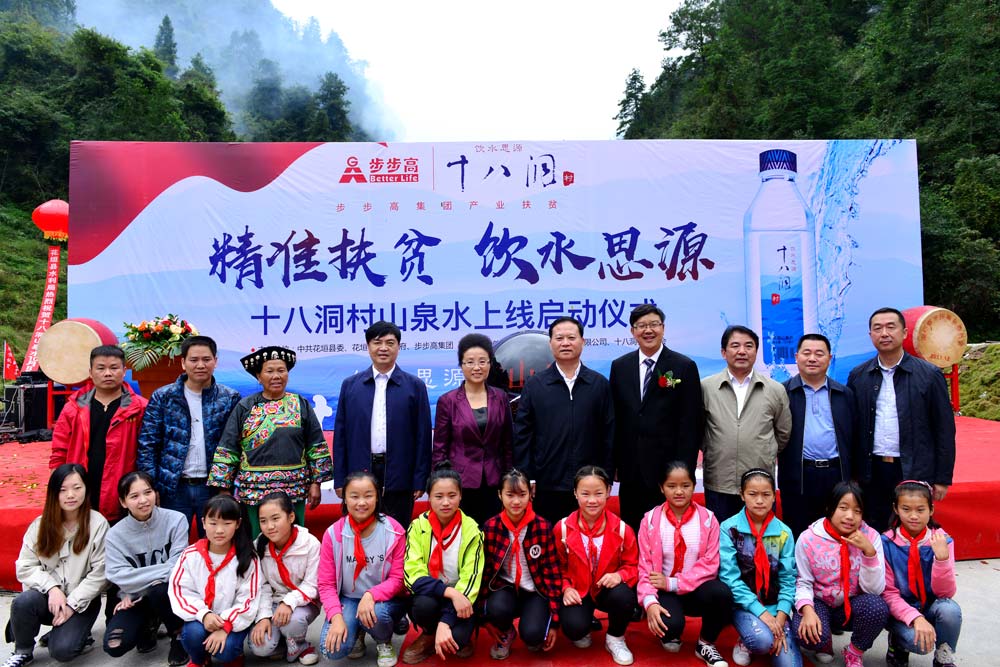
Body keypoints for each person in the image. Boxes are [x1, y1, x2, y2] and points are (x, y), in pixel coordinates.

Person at [847, 307, 956, 532]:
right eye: (878, 328)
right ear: (870, 335)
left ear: (905, 332)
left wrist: (943, 478)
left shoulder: (929, 374)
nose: (884, 333)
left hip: (914, 469)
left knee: (911, 530)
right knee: (874, 528)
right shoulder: (859, 375)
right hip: (872, 470)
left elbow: (944, 429)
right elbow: (852, 428)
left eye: (891, 327)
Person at [209, 346, 333, 537]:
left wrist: (316, 483)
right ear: (259, 376)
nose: (276, 376)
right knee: (257, 542)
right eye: (269, 371)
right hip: (254, 490)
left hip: (294, 489)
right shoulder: (245, 407)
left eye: (281, 370)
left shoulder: (300, 404)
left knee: (294, 541)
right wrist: (223, 489)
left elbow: (315, 445)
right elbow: (229, 447)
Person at [3, 464, 108, 667]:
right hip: (47, 598)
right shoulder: (40, 524)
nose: (71, 495)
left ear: (86, 489)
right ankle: (23, 651)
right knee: (23, 602)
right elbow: (24, 566)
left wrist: (72, 604)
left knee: (63, 651)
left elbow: (100, 574)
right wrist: (52, 588)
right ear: (53, 493)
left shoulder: (97, 524)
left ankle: (77, 634)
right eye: (62, 489)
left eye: (77, 488)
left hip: (82, 601)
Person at [513, 317, 615, 523]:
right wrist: (527, 475)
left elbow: (609, 434)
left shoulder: (599, 384)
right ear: (550, 343)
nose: (565, 343)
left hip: (589, 484)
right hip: (547, 483)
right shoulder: (535, 385)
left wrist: (607, 475)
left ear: (583, 342)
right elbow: (523, 434)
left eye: (571, 338)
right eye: (559, 338)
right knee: (550, 538)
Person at [610, 304, 703, 531]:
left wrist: (684, 469)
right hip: (631, 469)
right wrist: (615, 463)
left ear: (663, 328)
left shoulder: (684, 366)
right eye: (641, 326)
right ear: (633, 332)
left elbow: (691, 422)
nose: (648, 330)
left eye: (653, 324)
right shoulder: (619, 366)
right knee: (633, 530)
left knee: (668, 531)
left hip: (668, 471)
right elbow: (615, 418)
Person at [138, 335, 241, 537]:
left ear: (215, 361)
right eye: (194, 360)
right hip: (173, 488)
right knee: (171, 544)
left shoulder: (230, 398)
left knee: (216, 543)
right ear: (183, 363)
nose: (200, 365)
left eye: (206, 359)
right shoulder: (163, 397)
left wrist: (226, 485)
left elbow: (235, 446)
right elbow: (148, 444)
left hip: (212, 488)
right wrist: (150, 487)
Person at [334, 321, 432, 529]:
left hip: (400, 473)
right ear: (368, 346)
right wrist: (340, 479)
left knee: (397, 530)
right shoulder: (351, 386)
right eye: (377, 342)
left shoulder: (414, 386)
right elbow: (341, 435)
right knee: (359, 531)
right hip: (359, 473)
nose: (383, 348)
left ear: (399, 347)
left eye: (390, 343)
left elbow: (423, 436)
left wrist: (419, 479)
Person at [638, 461, 732, 667]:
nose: (679, 491)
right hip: (664, 591)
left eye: (685, 485)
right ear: (661, 488)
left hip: (696, 588)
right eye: (671, 486)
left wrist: (673, 583)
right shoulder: (650, 521)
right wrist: (650, 602)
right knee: (670, 626)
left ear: (694, 486)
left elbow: (710, 564)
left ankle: (706, 643)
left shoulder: (708, 519)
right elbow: (645, 567)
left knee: (722, 593)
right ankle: (670, 632)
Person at [701, 325, 791, 522]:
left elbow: (783, 434)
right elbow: (699, 430)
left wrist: (762, 450)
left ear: (756, 352)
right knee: (722, 537)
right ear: (723, 352)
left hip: (760, 486)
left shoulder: (775, 390)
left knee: (762, 538)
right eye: (735, 346)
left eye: (748, 346)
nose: (742, 351)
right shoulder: (707, 387)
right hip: (719, 481)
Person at [793, 482, 888, 667]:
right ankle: (824, 642)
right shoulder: (809, 538)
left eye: (857, 511)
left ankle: (854, 652)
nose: (850, 516)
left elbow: (875, 591)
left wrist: (869, 553)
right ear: (830, 507)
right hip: (819, 601)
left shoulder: (871, 537)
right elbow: (802, 581)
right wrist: (808, 610)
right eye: (843, 508)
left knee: (878, 608)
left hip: (852, 603)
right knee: (805, 634)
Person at [318, 471, 408, 667]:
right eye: (354, 496)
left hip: (384, 599)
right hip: (349, 598)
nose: (361, 502)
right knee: (332, 650)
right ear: (344, 497)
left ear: (378, 496)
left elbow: (398, 578)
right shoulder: (333, 534)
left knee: (378, 614)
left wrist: (371, 595)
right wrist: (336, 617)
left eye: (368, 495)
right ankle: (358, 628)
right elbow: (326, 584)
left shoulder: (393, 530)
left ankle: (383, 640)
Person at [50, 344, 148, 521]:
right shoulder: (73, 407)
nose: (107, 373)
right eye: (101, 368)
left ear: (124, 371)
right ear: (90, 372)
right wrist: (58, 485)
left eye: (114, 368)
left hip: (123, 488)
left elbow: (148, 452)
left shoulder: (139, 408)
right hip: (80, 485)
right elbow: (59, 450)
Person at [401, 463, 484, 664]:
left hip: (462, 598)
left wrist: (446, 621)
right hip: (433, 594)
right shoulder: (418, 526)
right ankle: (429, 634)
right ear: (429, 497)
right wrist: (449, 593)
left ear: (461, 495)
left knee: (458, 640)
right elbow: (412, 575)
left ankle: (451, 631)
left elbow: (471, 581)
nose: (445, 502)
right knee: (422, 606)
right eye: (438, 496)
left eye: (452, 495)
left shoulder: (472, 530)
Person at [103, 471, 189, 665]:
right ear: (123, 502)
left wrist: (136, 584)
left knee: (159, 591)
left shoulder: (176, 520)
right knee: (114, 645)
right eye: (134, 496)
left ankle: (178, 635)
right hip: (134, 598)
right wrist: (140, 588)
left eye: (148, 492)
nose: (143, 500)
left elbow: (179, 565)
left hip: (168, 594)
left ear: (155, 494)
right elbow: (116, 574)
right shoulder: (115, 535)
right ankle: (149, 624)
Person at [555, 466, 638, 666]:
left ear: (609, 491)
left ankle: (615, 638)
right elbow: (557, 567)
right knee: (574, 628)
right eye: (585, 494)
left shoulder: (622, 529)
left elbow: (633, 565)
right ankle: (584, 624)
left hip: (607, 590)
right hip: (578, 590)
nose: (592, 500)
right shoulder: (562, 528)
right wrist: (566, 588)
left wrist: (619, 575)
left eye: (598, 493)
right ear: (575, 493)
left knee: (624, 596)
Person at [719, 469, 801, 667]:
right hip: (744, 605)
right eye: (752, 494)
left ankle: (774, 631)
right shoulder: (730, 529)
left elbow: (788, 579)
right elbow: (730, 578)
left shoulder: (784, 533)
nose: (759, 501)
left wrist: (780, 618)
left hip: (776, 607)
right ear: (742, 495)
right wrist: (761, 613)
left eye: (766, 494)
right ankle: (745, 640)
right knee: (762, 641)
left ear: (774, 496)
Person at [167, 494, 261, 667]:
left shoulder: (247, 558)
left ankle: (234, 655)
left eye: (227, 523)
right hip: (201, 618)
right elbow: (180, 591)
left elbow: (249, 599)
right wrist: (204, 615)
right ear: (203, 523)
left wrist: (225, 626)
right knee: (191, 635)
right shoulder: (190, 555)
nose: (219, 530)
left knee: (227, 650)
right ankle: (200, 659)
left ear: (238, 524)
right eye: (213, 523)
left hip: (232, 622)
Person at [479, 469, 561, 660]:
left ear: (531, 494)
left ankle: (534, 622)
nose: (516, 501)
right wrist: (483, 615)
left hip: (535, 590)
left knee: (533, 637)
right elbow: (485, 572)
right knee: (496, 608)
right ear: (500, 495)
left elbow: (552, 574)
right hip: (505, 588)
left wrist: (554, 622)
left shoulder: (542, 526)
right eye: (510, 495)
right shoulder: (491, 527)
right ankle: (507, 632)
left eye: (522, 494)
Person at [780, 333, 857, 537]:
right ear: (796, 357)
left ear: (829, 358)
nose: (812, 358)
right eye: (807, 353)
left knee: (836, 531)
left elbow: (854, 437)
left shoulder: (844, 394)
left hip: (836, 474)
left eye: (819, 354)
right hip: (798, 476)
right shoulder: (782, 392)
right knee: (798, 531)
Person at [433, 334, 513, 524]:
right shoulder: (448, 401)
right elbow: (440, 447)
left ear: (490, 364)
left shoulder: (500, 398)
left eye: (482, 361)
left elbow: (508, 442)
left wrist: (509, 477)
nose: (477, 367)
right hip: (460, 483)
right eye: (470, 362)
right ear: (461, 365)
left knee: (492, 532)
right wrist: (441, 482)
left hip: (495, 480)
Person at [881, 481, 960, 667]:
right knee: (920, 644)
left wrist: (941, 560)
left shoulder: (943, 541)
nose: (914, 516)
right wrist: (914, 617)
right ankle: (898, 644)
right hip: (899, 613)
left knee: (950, 610)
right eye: (906, 509)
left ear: (931, 510)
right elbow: (888, 593)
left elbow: (945, 594)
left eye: (920, 509)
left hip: (930, 607)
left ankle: (943, 657)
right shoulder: (886, 543)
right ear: (896, 508)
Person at [249, 491, 321, 665]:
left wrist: (289, 602)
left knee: (293, 622)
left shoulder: (310, 543)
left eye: (275, 519)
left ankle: (300, 644)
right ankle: (282, 642)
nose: (269, 526)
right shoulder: (258, 546)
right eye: (263, 521)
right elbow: (261, 586)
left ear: (291, 517)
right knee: (260, 647)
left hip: (303, 602)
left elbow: (312, 584)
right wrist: (263, 617)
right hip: (272, 603)